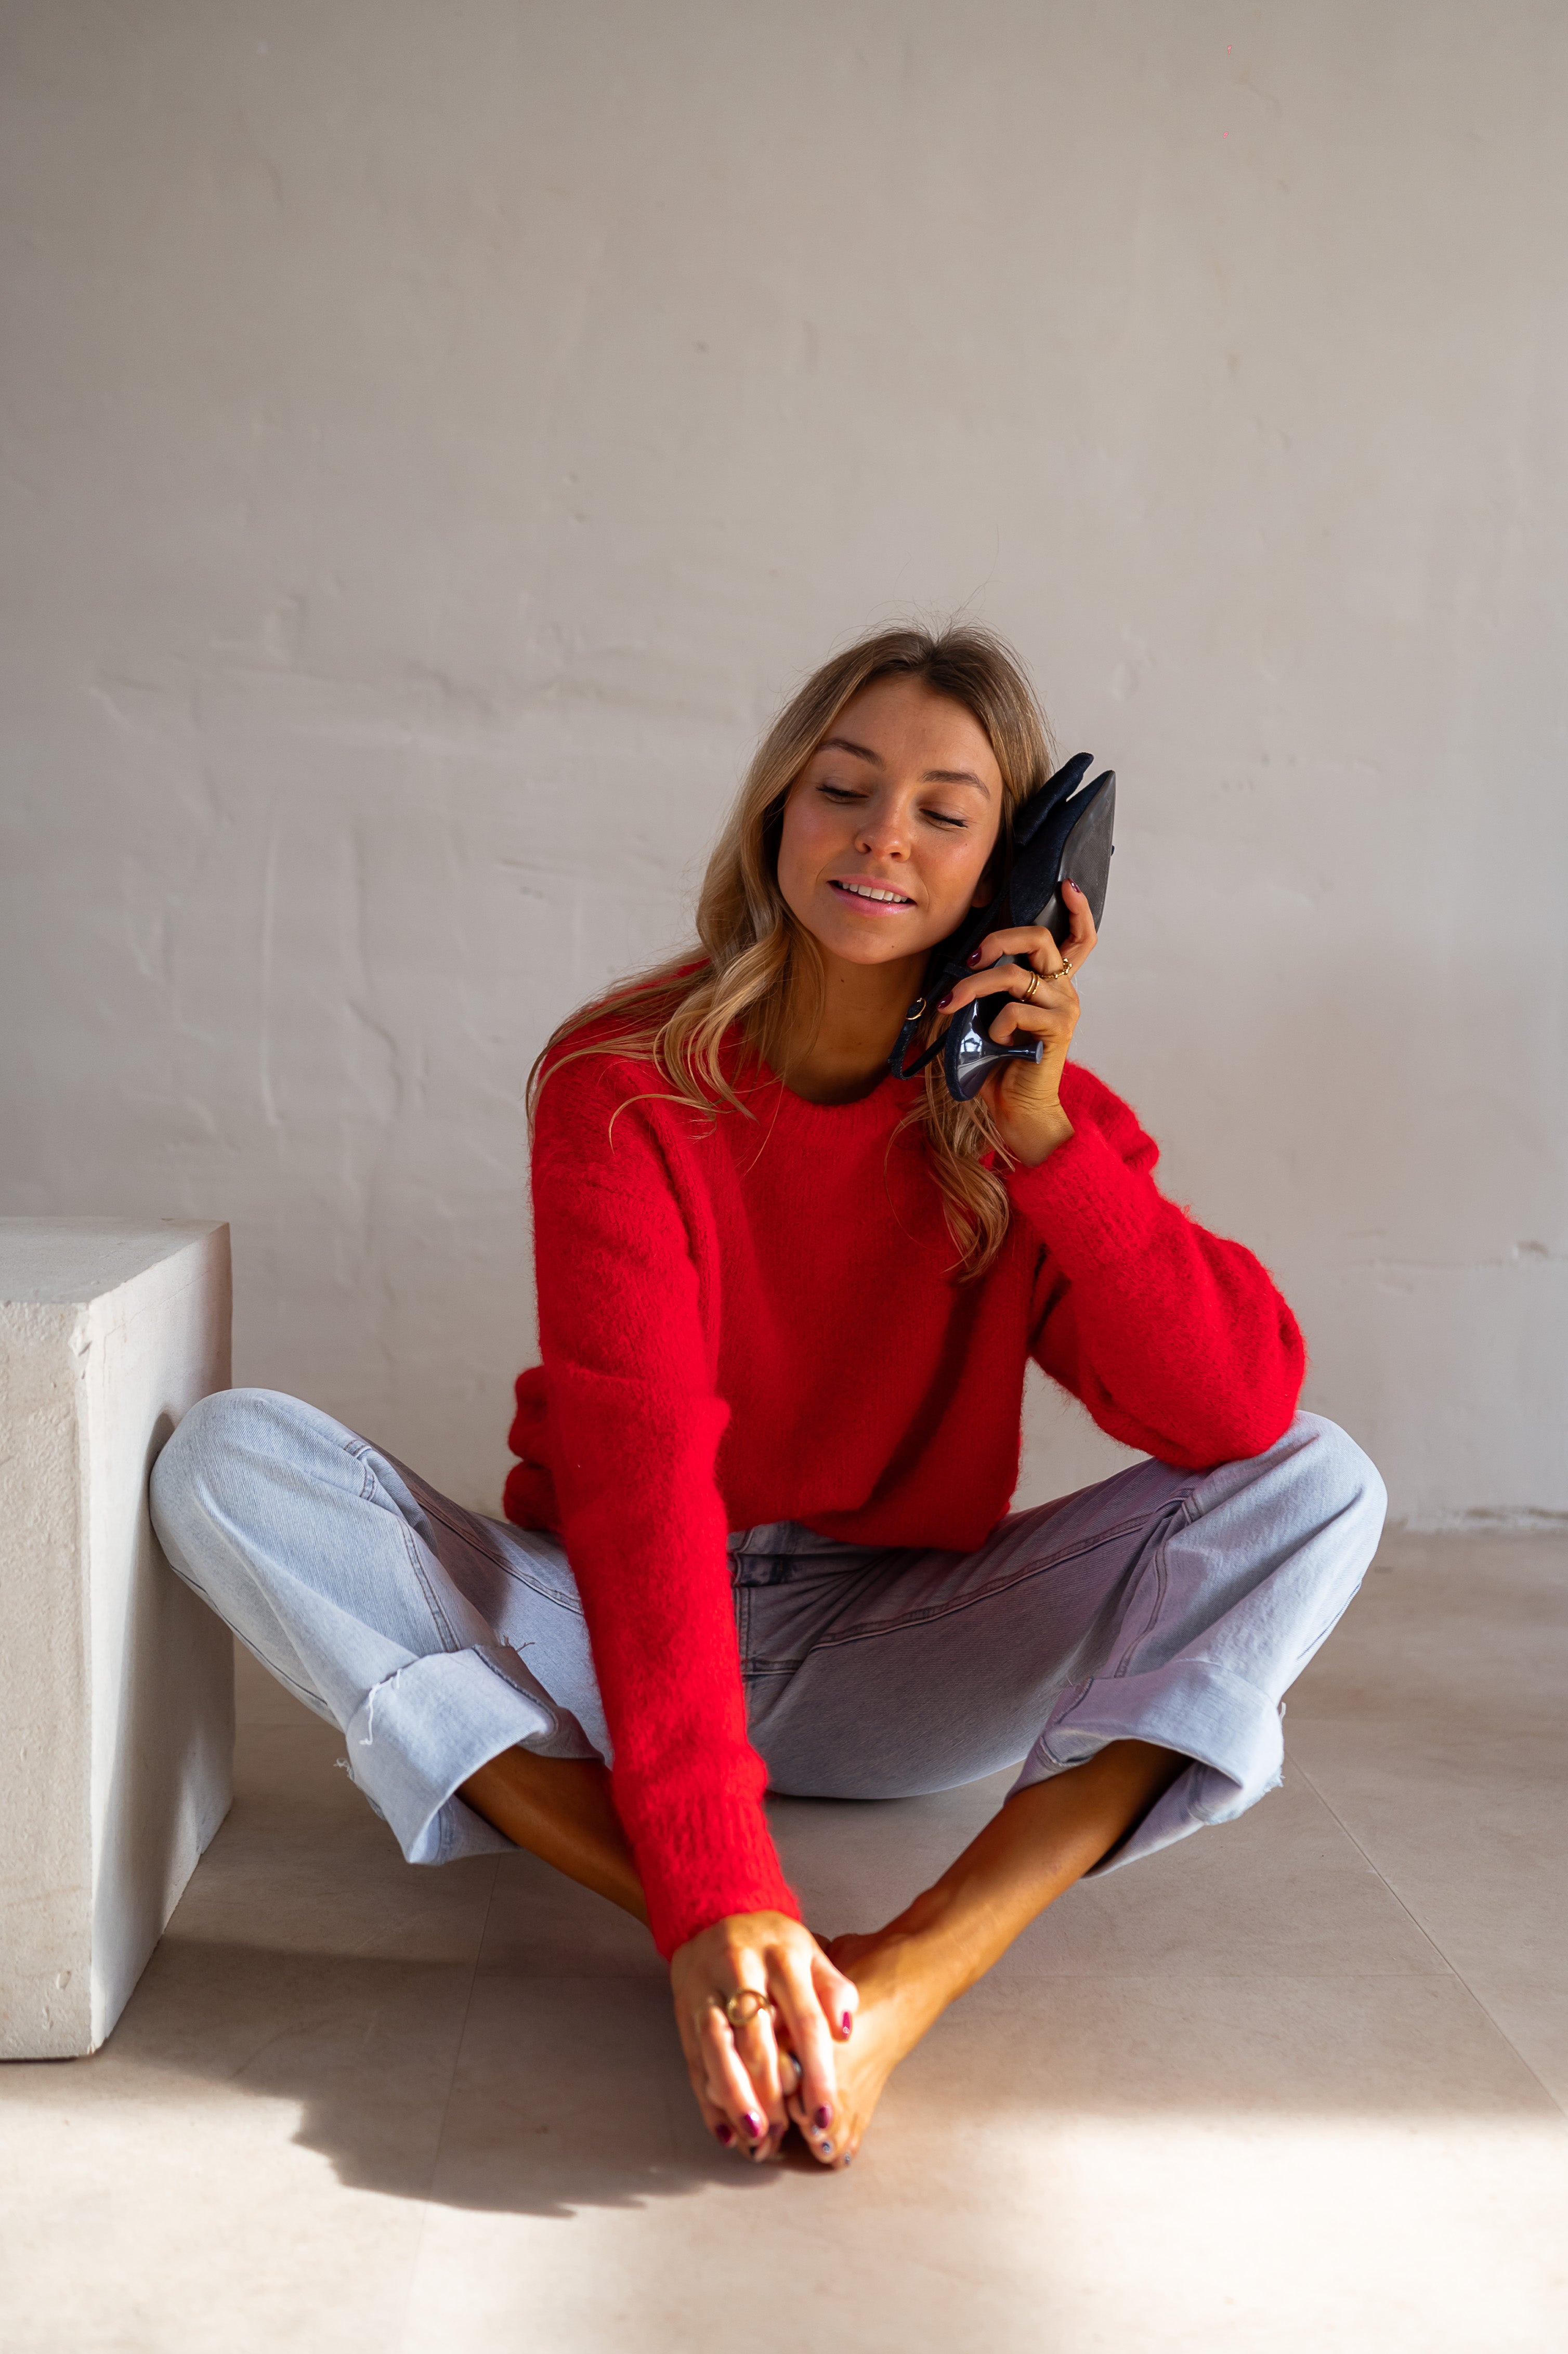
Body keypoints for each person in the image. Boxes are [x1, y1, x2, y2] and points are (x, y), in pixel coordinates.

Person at [151, 624, 1386, 2172]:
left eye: (947, 812)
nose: (883, 836)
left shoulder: (1032, 1122)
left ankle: (916, 1965)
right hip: (606, 1631)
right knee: (231, 1460)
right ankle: (760, 1953)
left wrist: (1047, 1143)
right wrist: (714, 1890)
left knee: (1323, 1478)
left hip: (897, 1652)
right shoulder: (625, 1082)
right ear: (774, 817)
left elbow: (1234, 1408)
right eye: (844, 788)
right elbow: (639, 1473)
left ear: (1023, 880)